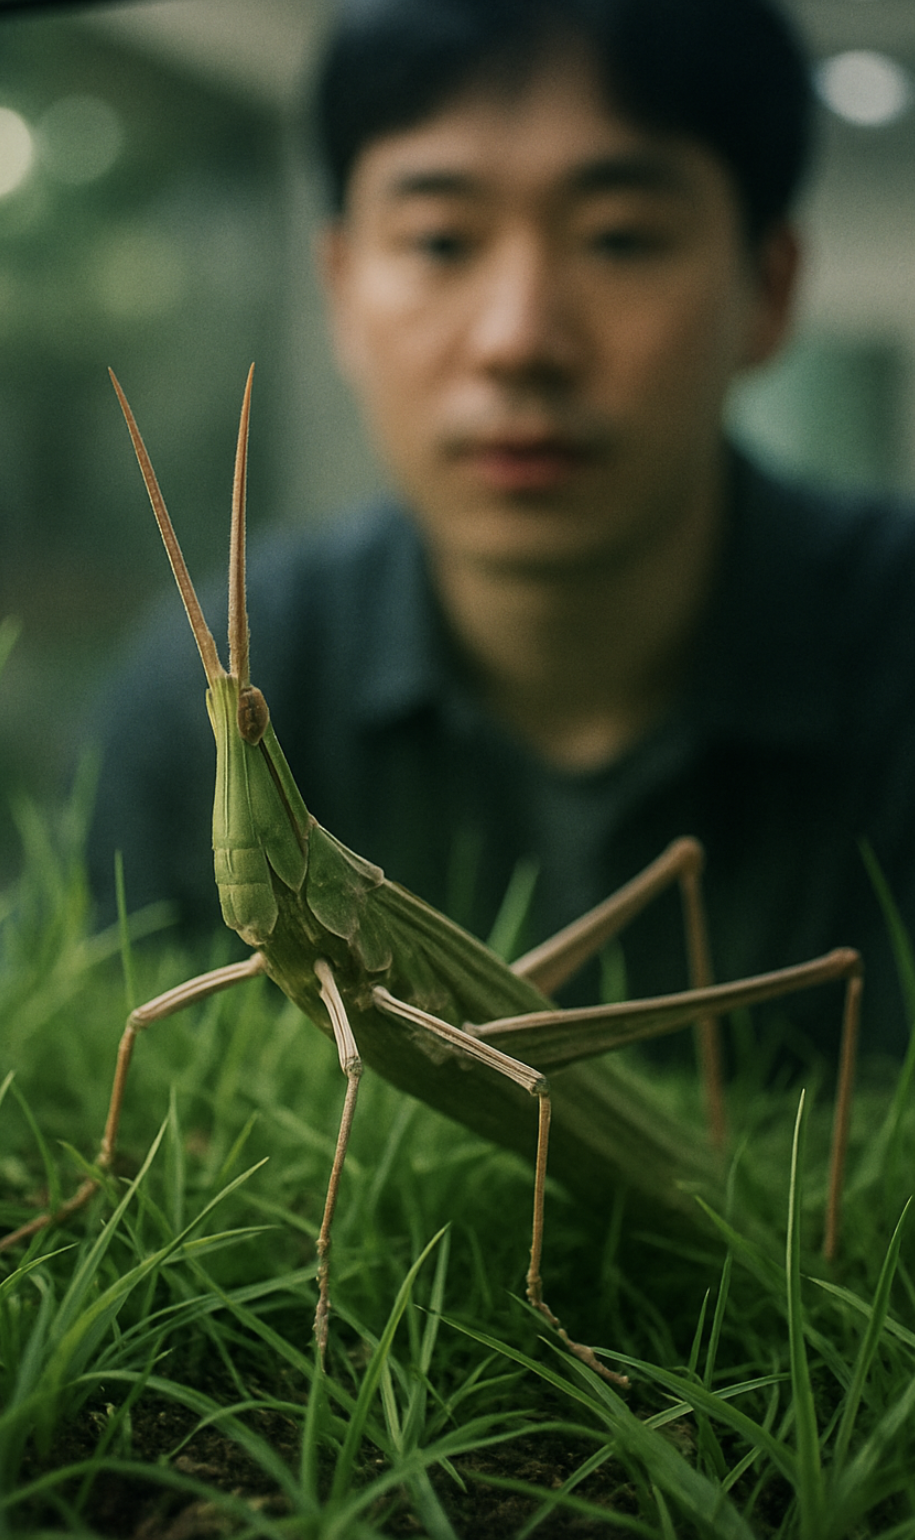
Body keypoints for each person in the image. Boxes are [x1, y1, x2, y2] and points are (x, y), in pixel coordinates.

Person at [85, 0, 915, 1067]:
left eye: (619, 237)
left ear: (769, 288)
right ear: (339, 288)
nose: (518, 337)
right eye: (440, 240)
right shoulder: (198, 676)